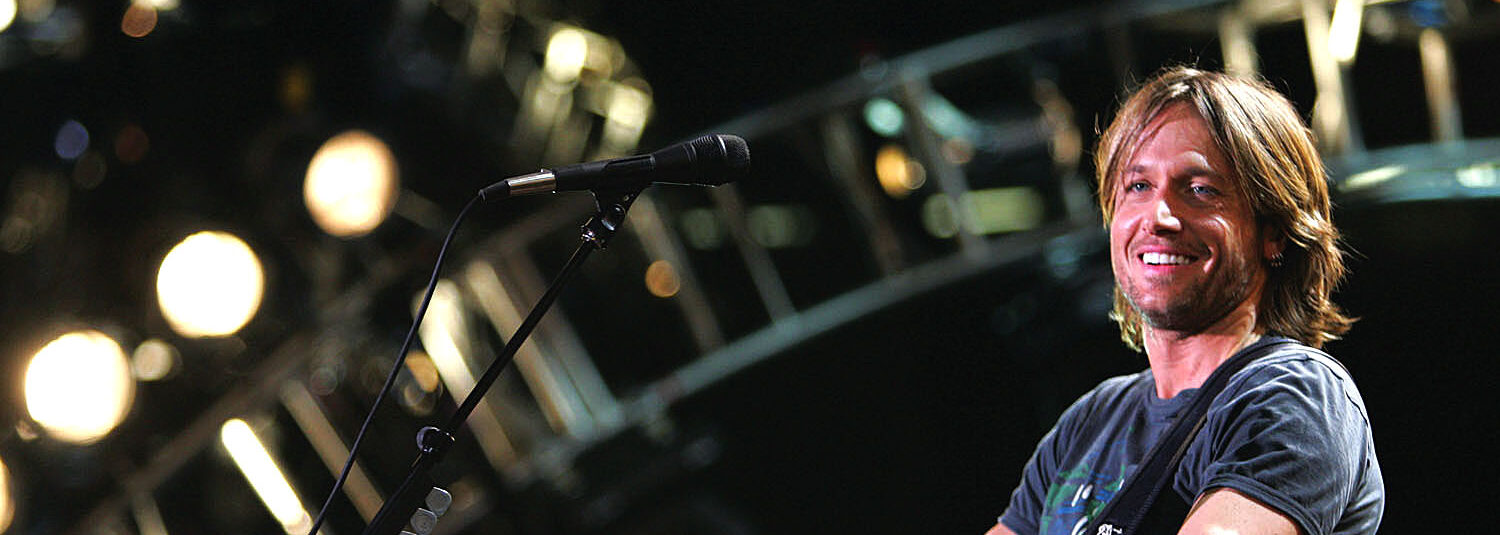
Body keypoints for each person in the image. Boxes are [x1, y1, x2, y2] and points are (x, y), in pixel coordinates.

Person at [985, 67, 1384, 535]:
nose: (1159, 216)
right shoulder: (1090, 421)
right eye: (1138, 186)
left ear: (1273, 231)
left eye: (1199, 190)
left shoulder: (1294, 395)